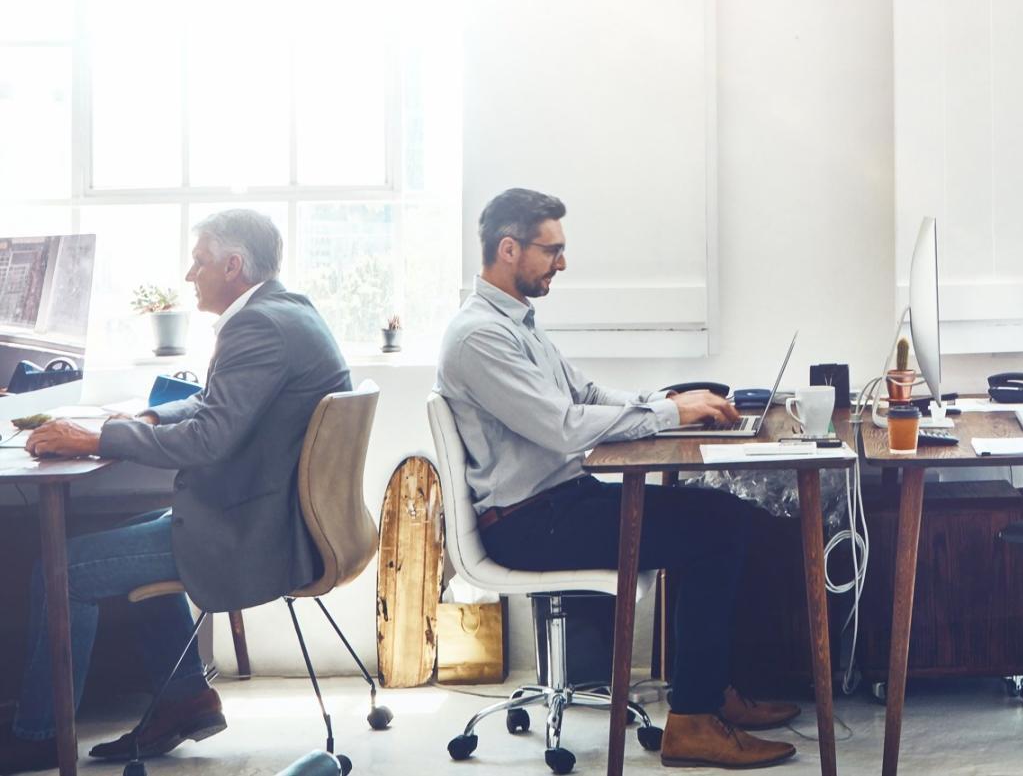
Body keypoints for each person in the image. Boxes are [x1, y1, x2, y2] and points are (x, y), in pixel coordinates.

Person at [436, 188, 797, 770]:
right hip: (528, 522)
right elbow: (561, 426)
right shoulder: (480, 337)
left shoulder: (516, 323)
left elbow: (586, 395)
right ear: (509, 249)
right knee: (719, 528)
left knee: (725, 516)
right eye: (551, 250)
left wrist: (666, 400)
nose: (562, 263)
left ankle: (709, 695)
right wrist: (670, 416)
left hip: (558, 503)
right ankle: (695, 722)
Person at [1, 210, 352, 774]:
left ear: (234, 266)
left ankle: (41, 733)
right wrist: (147, 416)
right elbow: (218, 403)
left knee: (59, 568)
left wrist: (98, 436)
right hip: (276, 521)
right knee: (138, 522)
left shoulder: (256, 327)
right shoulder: (287, 312)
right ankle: (184, 696)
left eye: (200, 262)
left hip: (250, 536)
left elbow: (210, 437)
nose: (191, 275)